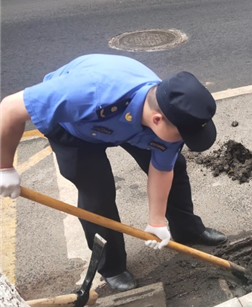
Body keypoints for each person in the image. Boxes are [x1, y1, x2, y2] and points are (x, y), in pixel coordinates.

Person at [0, 54, 227, 291]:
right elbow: (10, 108)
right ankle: (112, 267)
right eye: (183, 135)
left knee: (175, 167)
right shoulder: (84, 92)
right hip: (75, 126)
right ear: (157, 120)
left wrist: (156, 221)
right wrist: (5, 167)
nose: (184, 140)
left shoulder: (173, 115)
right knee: (97, 194)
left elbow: (162, 169)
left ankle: (187, 231)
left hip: (131, 124)